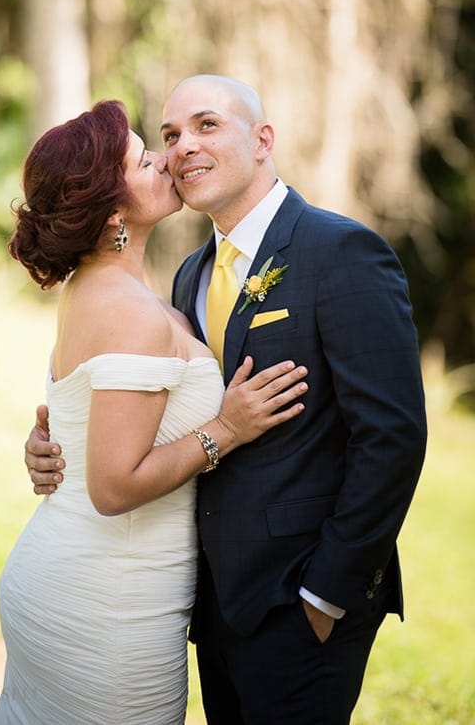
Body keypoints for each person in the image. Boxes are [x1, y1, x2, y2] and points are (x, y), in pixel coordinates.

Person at [27, 76, 427, 725]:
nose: (184, 146)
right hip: (210, 607)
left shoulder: (341, 252)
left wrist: (326, 595)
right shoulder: (191, 275)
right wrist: (57, 442)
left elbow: (394, 437)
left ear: (262, 140)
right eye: (170, 134)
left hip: (302, 604)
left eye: (207, 124)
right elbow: (148, 403)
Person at [0, 99, 308, 725]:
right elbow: (113, 487)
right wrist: (227, 428)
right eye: (144, 158)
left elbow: (85, 421)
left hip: (79, 573)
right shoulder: (128, 310)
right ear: (113, 208)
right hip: (106, 600)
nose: (166, 159)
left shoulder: (107, 291)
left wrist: (50, 448)